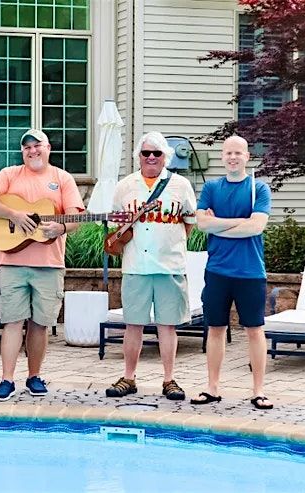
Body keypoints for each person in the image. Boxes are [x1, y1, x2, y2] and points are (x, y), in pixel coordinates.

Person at [0, 129, 85, 401]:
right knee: (12, 321)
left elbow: (74, 217)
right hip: (12, 262)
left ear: (48, 148)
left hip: (49, 264)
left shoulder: (62, 178)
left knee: (40, 323)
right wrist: (14, 214)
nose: (32, 151)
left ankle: (34, 376)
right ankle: (6, 379)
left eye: (37, 146)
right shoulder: (9, 174)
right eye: (27, 147)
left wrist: (60, 229)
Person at [105, 131, 197, 401]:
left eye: (157, 153)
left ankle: (169, 379)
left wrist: (169, 243)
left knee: (167, 326)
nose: (152, 157)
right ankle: (128, 377)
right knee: (133, 324)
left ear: (166, 156)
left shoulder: (181, 185)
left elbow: (189, 223)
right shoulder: (125, 186)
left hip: (170, 265)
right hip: (136, 265)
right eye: (146, 153)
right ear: (139, 156)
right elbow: (115, 226)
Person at [190, 136, 273, 410]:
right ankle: (212, 388)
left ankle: (258, 391)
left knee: (254, 330)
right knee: (215, 329)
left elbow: (256, 227)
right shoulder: (212, 188)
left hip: (250, 272)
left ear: (247, 156)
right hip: (217, 271)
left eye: (238, 153)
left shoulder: (258, 188)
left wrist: (218, 223)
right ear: (222, 156)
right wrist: (240, 222)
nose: (233, 157)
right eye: (228, 153)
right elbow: (202, 225)